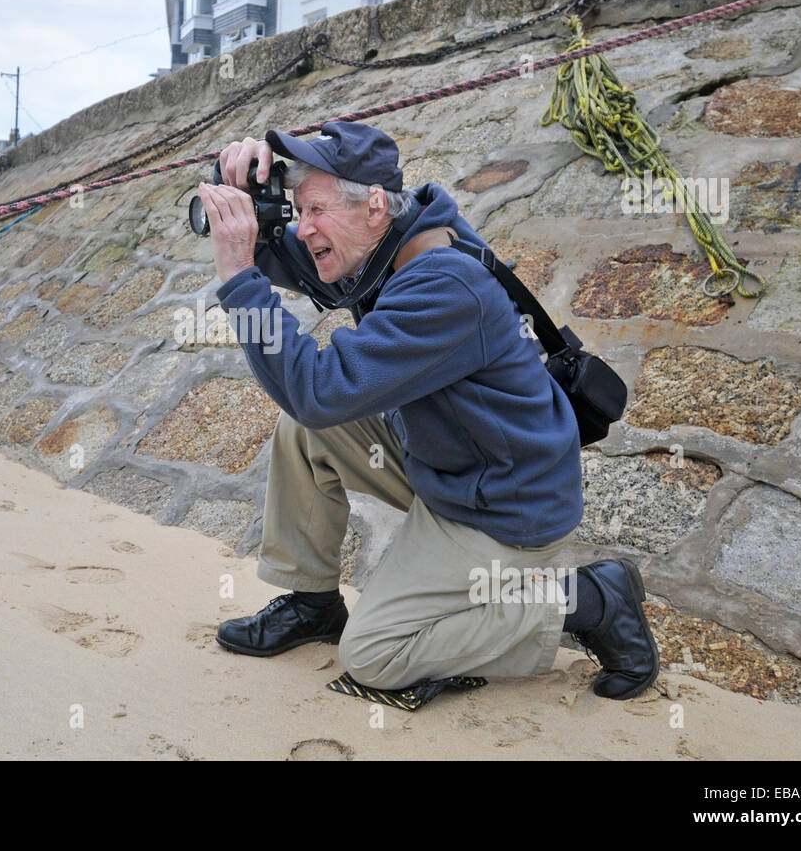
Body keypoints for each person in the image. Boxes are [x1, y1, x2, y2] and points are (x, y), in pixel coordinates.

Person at [195, 121, 659, 699]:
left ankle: (590, 601)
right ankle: (313, 602)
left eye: (313, 209)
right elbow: (299, 264)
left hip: (500, 507)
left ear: (373, 206)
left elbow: (319, 390)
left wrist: (239, 275)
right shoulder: (395, 233)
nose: (303, 228)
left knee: (374, 655)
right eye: (297, 209)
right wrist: (240, 193)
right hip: (450, 460)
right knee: (307, 432)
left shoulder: (443, 285)